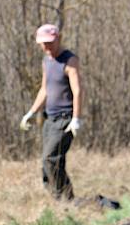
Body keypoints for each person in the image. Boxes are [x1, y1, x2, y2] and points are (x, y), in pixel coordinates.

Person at [19, 24, 84, 201]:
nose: (46, 47)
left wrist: (76, 118)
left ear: (59, 38)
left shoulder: (69, 60)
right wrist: (31, 113)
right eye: (43, 43)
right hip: (49, 118)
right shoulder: (46, 61)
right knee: (49, 161)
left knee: (50, 158)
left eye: (49, 42)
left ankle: (63, 198)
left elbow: (77, 90)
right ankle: (63, 198)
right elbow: (44, 90)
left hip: (65, 119)